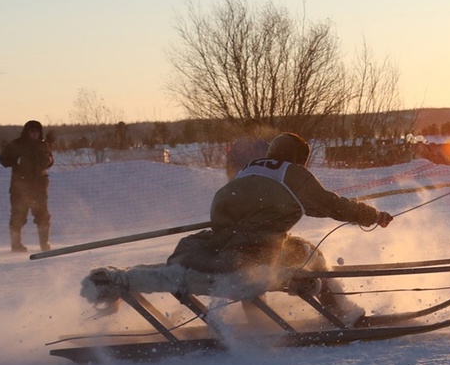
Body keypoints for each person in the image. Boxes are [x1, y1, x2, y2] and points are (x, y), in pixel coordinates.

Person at [167, 132, 392, 315]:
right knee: (313, 256)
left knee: (250, 262)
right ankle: (339, 314)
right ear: (298, 157)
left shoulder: (249, 168)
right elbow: (331, 205)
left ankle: (256, 322)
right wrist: (373, 216)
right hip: (259, 248)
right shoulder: (291, 172)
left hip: (224, 246)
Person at [0, 120, 54, 252]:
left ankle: (44, 244)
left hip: (39, 187)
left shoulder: (43, 145)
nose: (35, 133)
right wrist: (15, 161)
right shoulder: (16, 145)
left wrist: (49, 161)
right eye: (32, 131)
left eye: (37, 131)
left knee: (42, 215)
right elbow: (3, 160)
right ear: (27, 131)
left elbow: (50, 160)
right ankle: (16, 244)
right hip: (20, 187)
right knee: (18, 215)